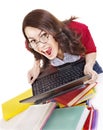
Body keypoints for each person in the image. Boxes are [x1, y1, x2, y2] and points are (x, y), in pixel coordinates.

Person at [22, 9, 103, 85]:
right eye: (33, 41)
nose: (40, 46)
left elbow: (91, 50)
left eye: (43, 35)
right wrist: (36, 67)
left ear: (53, 29)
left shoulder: (78, 30)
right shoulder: (30, 45)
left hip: (86, 67)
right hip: (61, 74)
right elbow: (36, 52)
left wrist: (88, 65)